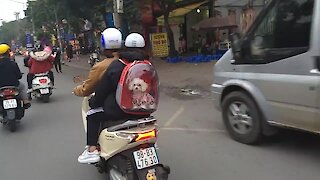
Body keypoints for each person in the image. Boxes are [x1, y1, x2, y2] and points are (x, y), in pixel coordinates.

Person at [77, 33, 149, 164]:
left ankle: (92, 150)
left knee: (92, 114)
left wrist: (93, 102)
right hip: (145, 109)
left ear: (124, 47)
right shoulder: (147, 66)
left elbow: (102, 91)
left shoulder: (117, 66)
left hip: (121, 111)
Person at [73, 28, 122, 97]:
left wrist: (76, 90)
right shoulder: (129, 60)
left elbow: (86, 90)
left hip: (110, 104)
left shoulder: (100, 67)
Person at [0, 44, 31, 109]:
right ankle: (26, 101)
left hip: (1, 87)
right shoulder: (13, 63)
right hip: (14, 85)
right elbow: (19, 76)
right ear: (8, 53)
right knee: (22, 87)